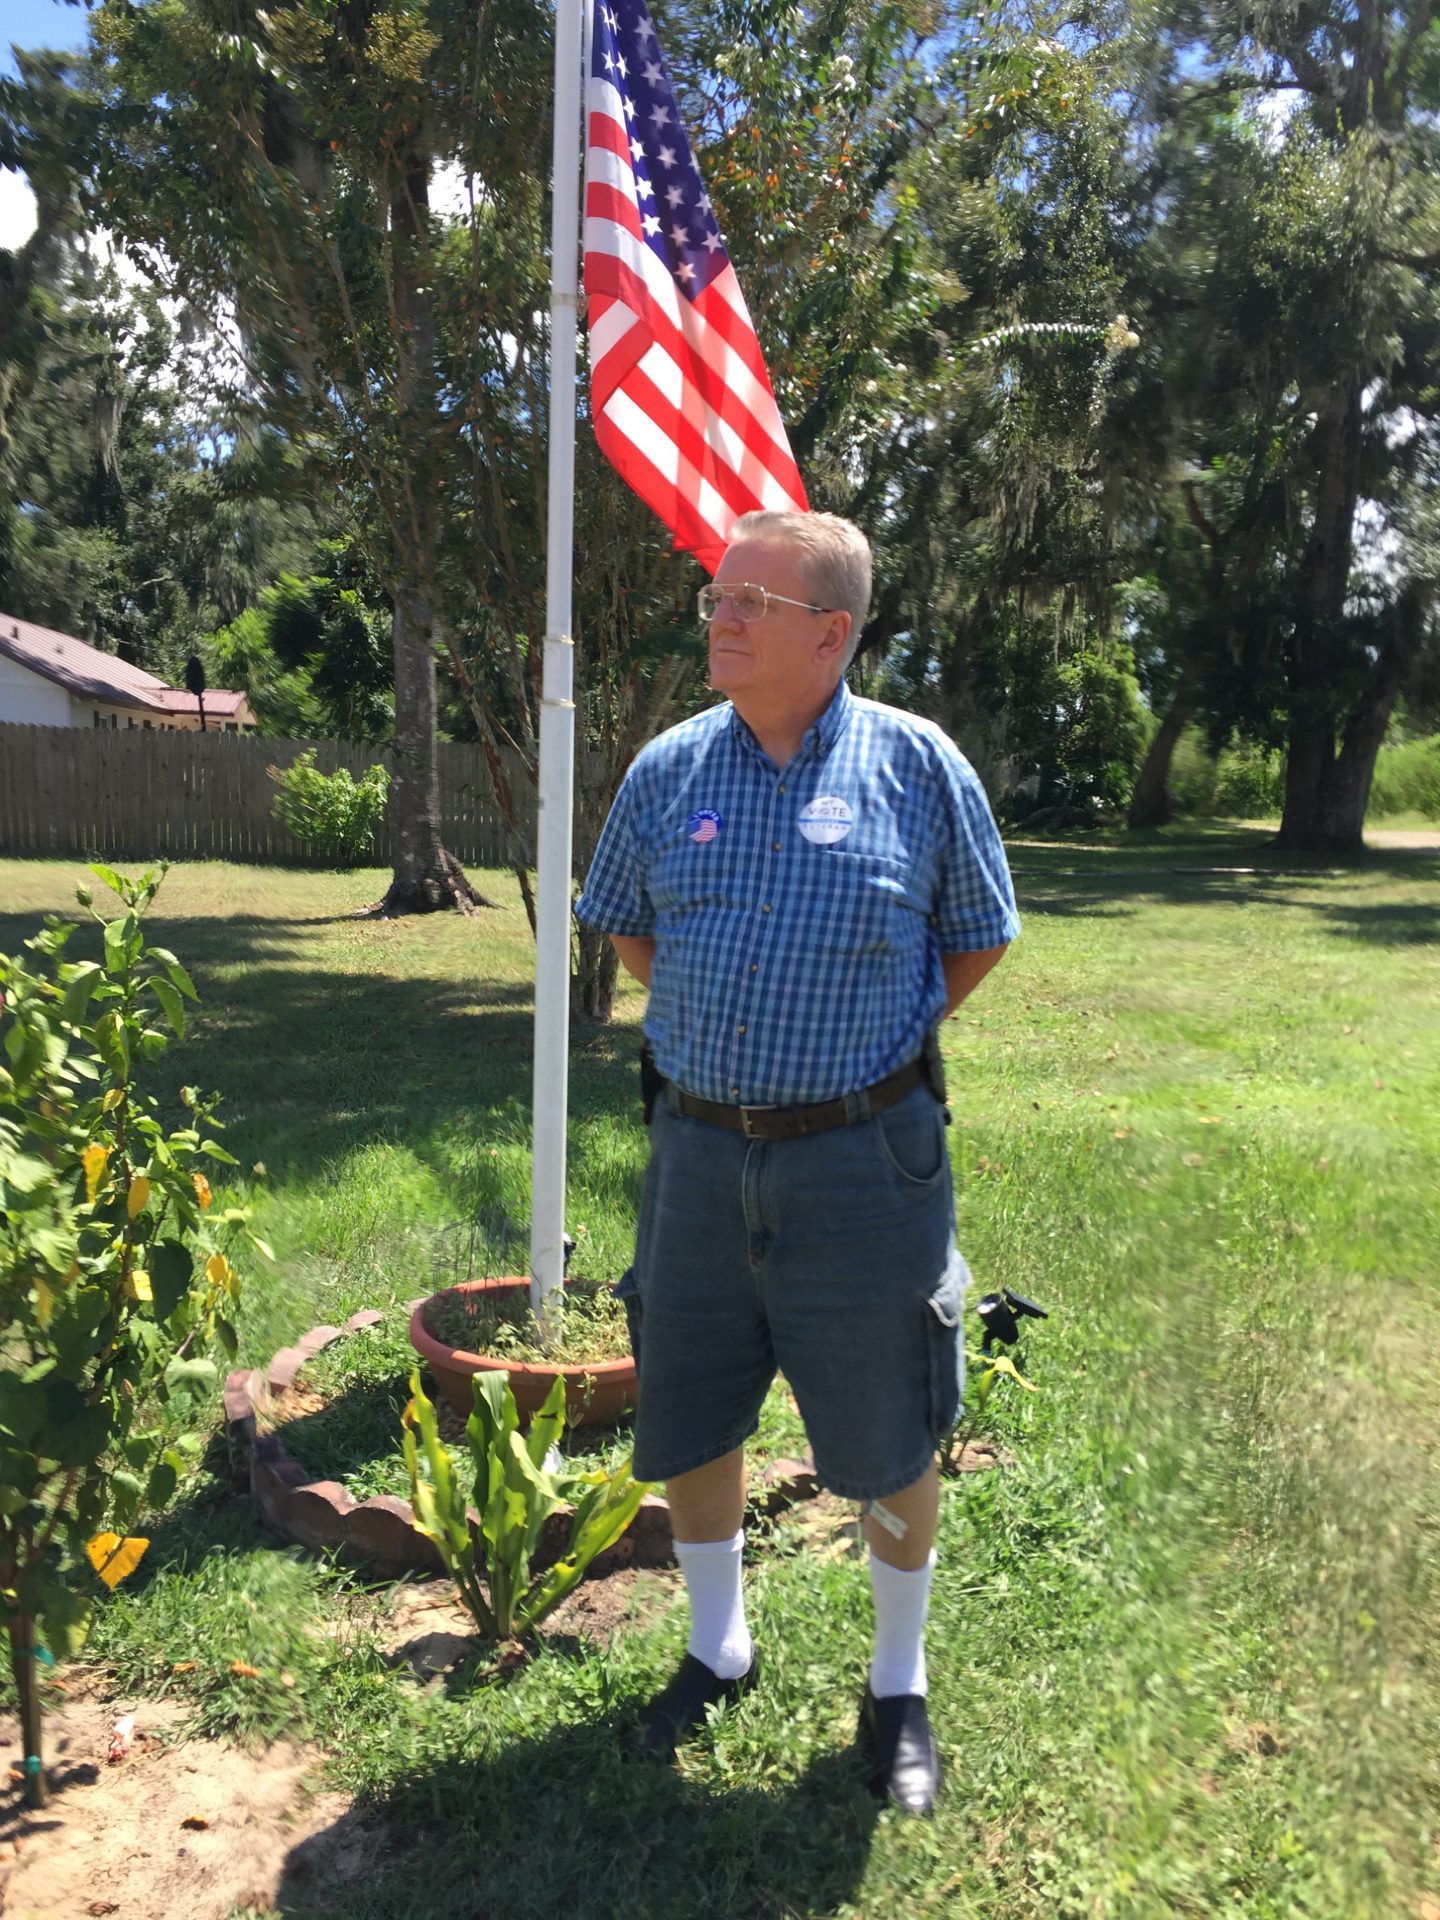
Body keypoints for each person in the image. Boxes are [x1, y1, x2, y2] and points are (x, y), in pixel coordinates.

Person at [576, 510, 1020, 1814]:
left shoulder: (918, 768)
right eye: (720, 594)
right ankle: (718, 1645)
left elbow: (979, 934)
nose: (723, 615)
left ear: (830, 635)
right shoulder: (668, 769)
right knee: (694, 1402)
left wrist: (867, 1044)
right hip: (701, 1158)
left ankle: (897, 1686)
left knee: (890, 1428)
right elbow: (632, 931)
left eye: (753, 600)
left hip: (863, 1165)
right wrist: (732, 1043)